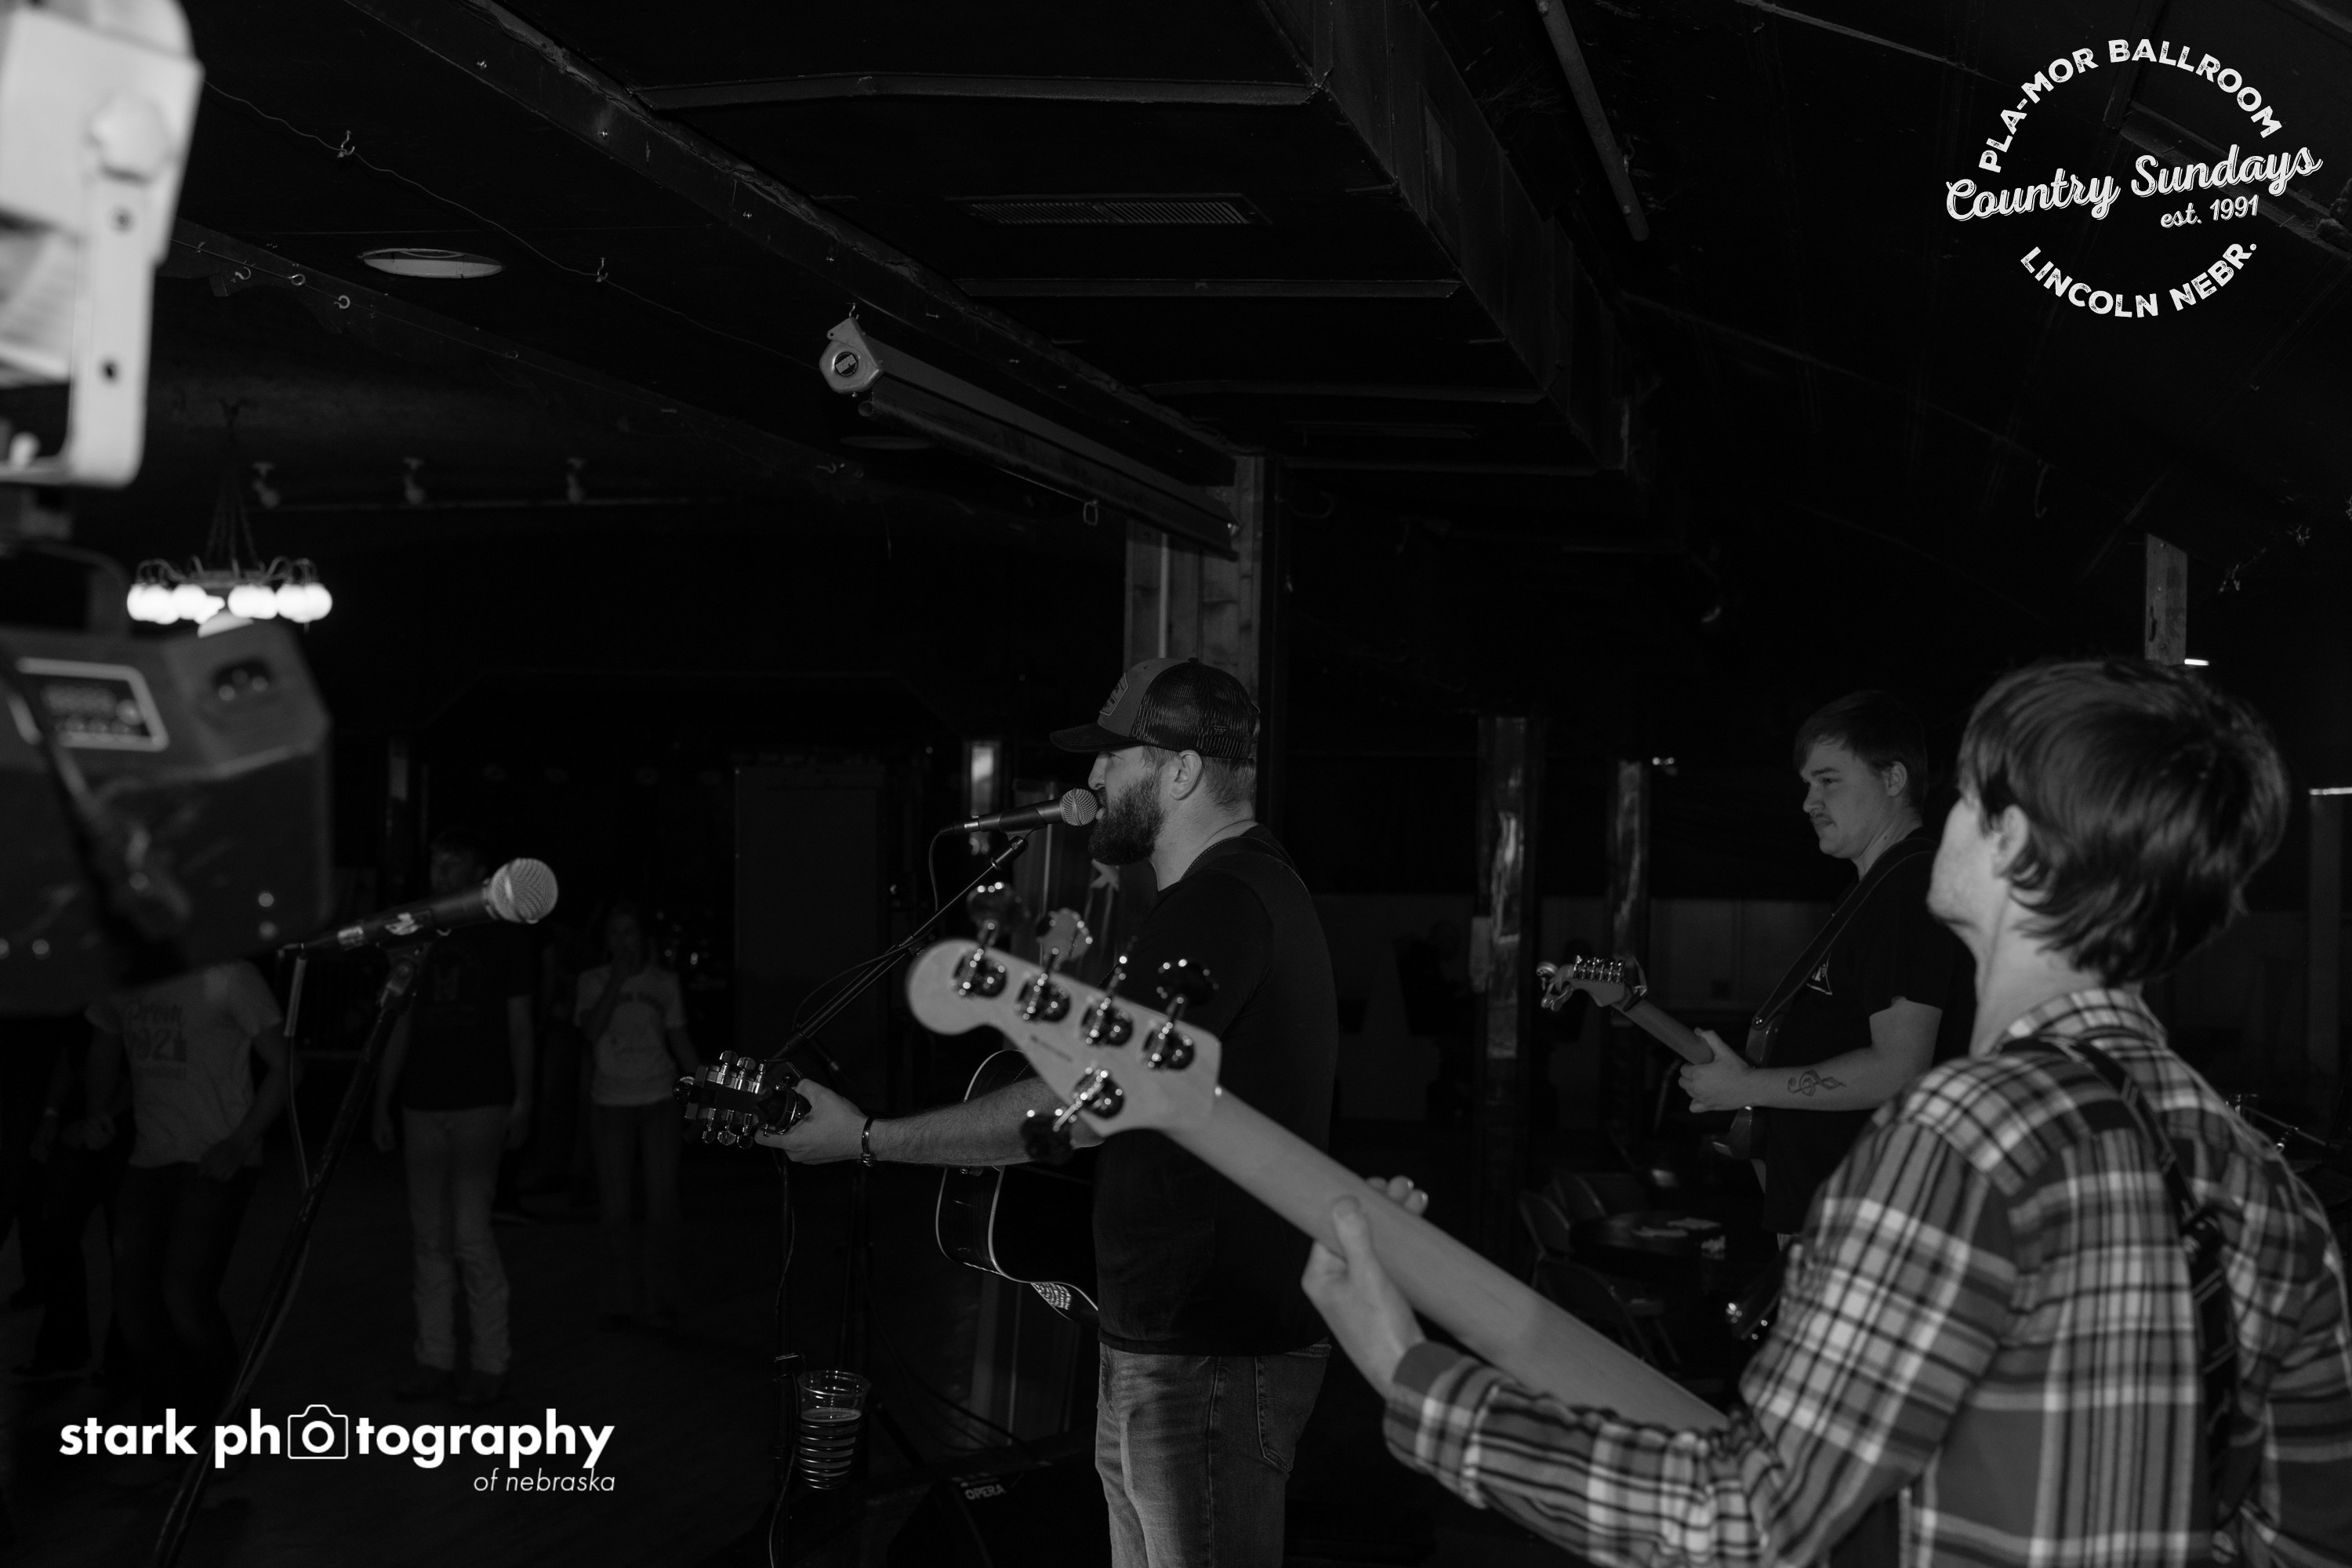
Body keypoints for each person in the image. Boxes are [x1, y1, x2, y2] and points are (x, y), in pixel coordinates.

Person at [1302, 659, 2352, 1568]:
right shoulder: (2266, 1184)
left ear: (2014, 844)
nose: (1944, 813)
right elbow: (2304, 1538)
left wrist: (1413, 1371)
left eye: (1968, 796)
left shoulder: (1961, 1142)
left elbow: (1746, 1518)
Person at [781, 656, 1340, 1568]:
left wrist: (869, 1137)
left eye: (1114, 756)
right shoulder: (1240, 890)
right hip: (1175, 1342)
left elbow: (1080, 1107)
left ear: (1180, 771)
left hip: (1206, 1355)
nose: (1093, 776)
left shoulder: (1222, 901)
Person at [1679, 690, 1976, 1235]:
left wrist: (1747, 1088)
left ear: (1893, 779)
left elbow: (1898, 1070)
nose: (1809, 802)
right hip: (1839, 1219)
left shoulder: (1909, 888)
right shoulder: (1873, 890)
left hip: (1871, 1227)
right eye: (1808, 785)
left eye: (1829, 781)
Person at [77, 961, 292, 1423]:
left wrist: (240, 1141)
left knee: (184, 1294)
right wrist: (97, 1109)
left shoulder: (229, 976)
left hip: (215, 1157)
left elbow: (286, 1065)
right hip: (150, 1157)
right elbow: (104, 1039)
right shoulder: (124, 976)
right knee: (133, 1301)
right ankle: (167, 1425)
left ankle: (225, 1428)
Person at [372, 827, 535, 1406]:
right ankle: (435, 1358)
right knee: (428, 1236)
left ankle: (490, 1361)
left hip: (480, 1098)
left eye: (452, 863)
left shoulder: (504, 934)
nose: (439, 873)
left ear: (477, 872)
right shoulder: (418, 935)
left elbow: (521, 1025)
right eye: (435, 862)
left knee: (468, 1233)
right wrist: (382, 1100)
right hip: (423, 1099)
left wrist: (523, 1098)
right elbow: (401, 1021)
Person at [575, 899, 698, 1327]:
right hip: (611, 1102)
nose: (622, 941)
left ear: (642, 937)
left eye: (629, 932)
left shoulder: (665, 983)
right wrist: (616, 981)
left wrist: (710, 1090)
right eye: (615, 933)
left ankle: (662, 1298)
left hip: (659, 1098)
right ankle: (618, 1301)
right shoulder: (591, 981)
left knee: (662, 1203)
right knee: (615, 1208)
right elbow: (590, 1030)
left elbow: (680, 1042)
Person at [18, 1019, 132, 1383]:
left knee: (126, 1248)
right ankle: (64, 1348)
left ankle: (123, 1358)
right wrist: (51, 1116)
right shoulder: (82, 1005)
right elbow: (70, 1056)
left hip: (127, 1130)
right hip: (82, 1123)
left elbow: (142, 1075)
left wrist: (99, 1119)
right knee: (58, 1235)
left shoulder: (136, 1000)